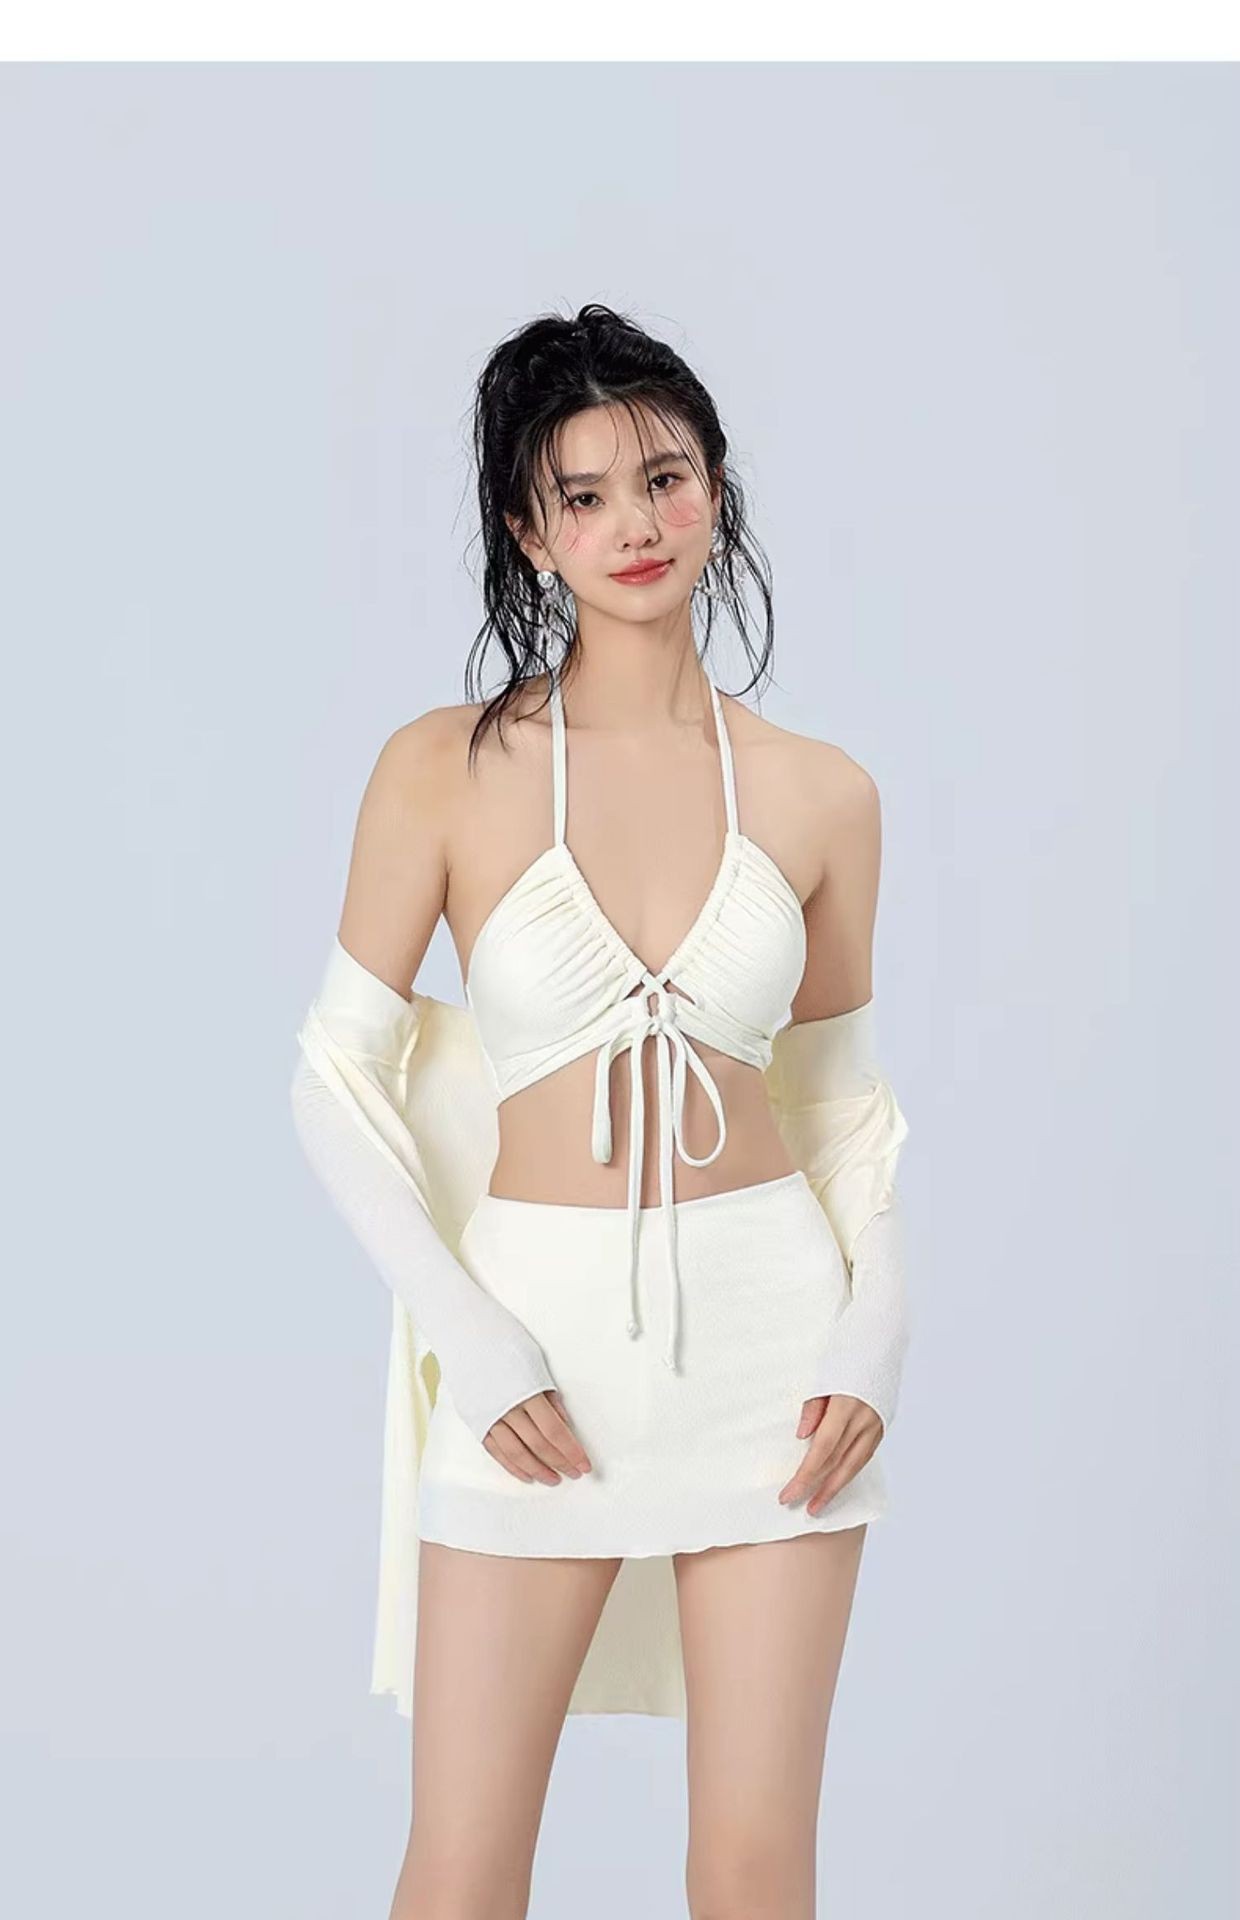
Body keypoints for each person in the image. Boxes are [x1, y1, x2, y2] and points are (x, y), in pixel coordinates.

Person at [290, 301, 911, 1920]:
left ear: (716, 489)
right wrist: (471, 1343)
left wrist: (874, 1337)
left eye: (666, 476)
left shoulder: (823, 791)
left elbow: (842, 1107)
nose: (635, 521)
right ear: (529, 530)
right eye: (583, 494)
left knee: (758, 1872)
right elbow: (331, 1081)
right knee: (463, 1872)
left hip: (779, 1362)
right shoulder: (440, 769)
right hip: (534, 1365)